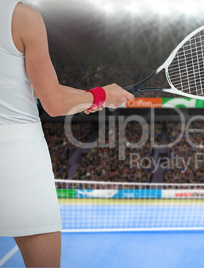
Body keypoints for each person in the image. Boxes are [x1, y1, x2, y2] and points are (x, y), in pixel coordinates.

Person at [0, 1, 134, 267]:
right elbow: (52, 101)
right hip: (17, 152)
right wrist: (103, 95)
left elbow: (31, 88)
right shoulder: (23, 17)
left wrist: (95, 99)